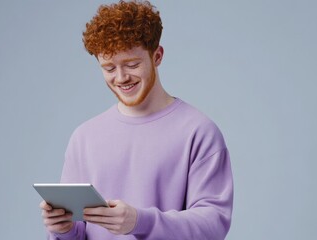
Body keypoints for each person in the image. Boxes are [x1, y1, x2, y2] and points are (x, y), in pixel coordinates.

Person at [39, 1, 233, 239]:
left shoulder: (198, 131)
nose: (121, 78)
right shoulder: (84, 138)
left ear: (157, 56)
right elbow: (78, 233)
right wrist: (63, 229)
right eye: (109, 68)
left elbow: (213, 225)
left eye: (132, 64)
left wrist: (140, 222)